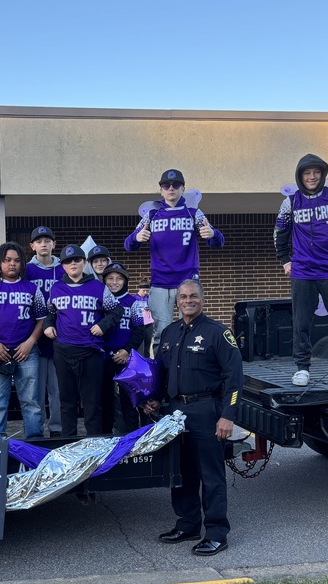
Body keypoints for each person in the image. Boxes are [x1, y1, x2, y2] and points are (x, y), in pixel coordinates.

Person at [145, 280, 243, 557]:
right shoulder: (169, 333)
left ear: (203, 298)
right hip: (175, 412)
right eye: (183, 297)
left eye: (194, 296)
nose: (188, 300)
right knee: (182, 473)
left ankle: (216, 533)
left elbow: (235, 379)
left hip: (206, 411)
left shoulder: (218, 333)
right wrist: (156, 399)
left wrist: (228, 416)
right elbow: (163, 375)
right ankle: (188, 524)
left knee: (210, 476)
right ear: (176, 302)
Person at [275, 154, 328, 386]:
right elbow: (280, 233)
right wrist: (285, 260)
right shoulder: (290, 202)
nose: (311, 177)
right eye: (306, 173)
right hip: (303, 272)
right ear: (300, 176)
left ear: (322, 175)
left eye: (316, 172)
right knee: (301, 322)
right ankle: (302, 368)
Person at [125, 168, 224, 355]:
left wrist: (213, 234)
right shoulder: (152, 215)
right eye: (166, 185)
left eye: (176, 185)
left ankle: (188, 366)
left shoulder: (193, 213)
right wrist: (137, 238)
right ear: (160, 190)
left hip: (187, 280)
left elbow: (216, 240)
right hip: (160, 282)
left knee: (190, 327)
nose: (171, 188)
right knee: (162, 331)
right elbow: (129, 244)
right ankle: (161, 371)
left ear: (183, 189)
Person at [0, 242, 47, 438]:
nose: (12, 264)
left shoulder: (32, 288)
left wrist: (30, 342)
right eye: (7, 260)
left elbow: (41, 320)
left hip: (26, 352)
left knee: (31, 401)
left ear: (22, 264)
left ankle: (35, 441)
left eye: (17, 260)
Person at [43, 244, 121, 436]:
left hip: (90, 352)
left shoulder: (97, 287)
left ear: (84, 263)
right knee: (67, 402)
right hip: (63, 351)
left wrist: (103, 324)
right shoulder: (56, 288)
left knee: (92, 403)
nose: (73, 264)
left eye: (77, 260)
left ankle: (93, 443)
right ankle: (67, 442)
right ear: (62, 266)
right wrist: (48, 325)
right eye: (68, 261)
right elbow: (50, 314)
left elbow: (117, 310)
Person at [100, 262, 147, 434]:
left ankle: (132, 435)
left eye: (119, 279)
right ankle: (104, 436)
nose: (114, 282)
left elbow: (140, 330)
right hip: (103, 357)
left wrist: (127, 350)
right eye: (110, 278)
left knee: (128, 400)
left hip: (125, 358)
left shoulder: (133, 302)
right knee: (104, 400)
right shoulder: (100, 300)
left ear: (125, 281)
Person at [26, 226, 64, 436]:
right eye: (39, 241)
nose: (43, 244)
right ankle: (36, 430)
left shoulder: (64, 268)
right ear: (32, 246)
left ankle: (56, 430)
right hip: (34, 335)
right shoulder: (27, 270)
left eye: (47, 240)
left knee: (57, 389)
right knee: (35, 390)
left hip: (59, 334)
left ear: (54, 244)